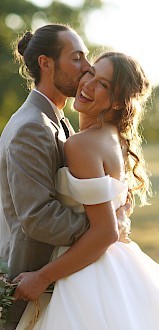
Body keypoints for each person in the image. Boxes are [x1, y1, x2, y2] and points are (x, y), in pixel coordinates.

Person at [12, 52, 159, 330]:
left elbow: (105, 232)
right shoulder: (114, 137)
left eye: (103, 84)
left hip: (87, 275)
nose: (88, 85)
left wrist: (42, 277)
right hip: (116, 265)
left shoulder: (81, 145)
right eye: (91, 73)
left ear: (118, 101)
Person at [0, 25, 128, 329]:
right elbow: (38, 217)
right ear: (47, 63)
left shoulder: (59, 122)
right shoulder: (32, 127)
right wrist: (103, 228)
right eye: (77, 58)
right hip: (27, 279)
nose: (86, 67)